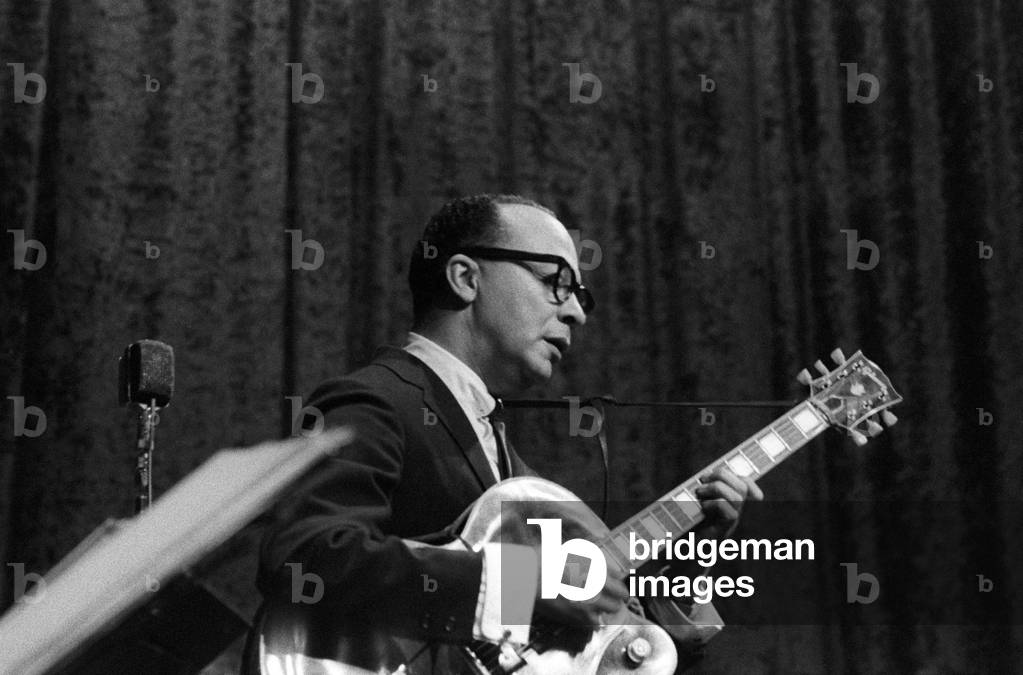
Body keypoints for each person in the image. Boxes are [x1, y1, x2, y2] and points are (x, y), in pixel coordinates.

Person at [251, 194, 763, 673]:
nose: (577, 312)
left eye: (579, 295)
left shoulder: (512, 466)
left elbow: (617, 647)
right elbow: (304, 556)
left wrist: (690, 559)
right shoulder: (379, 399)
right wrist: (522, 584)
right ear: (465, 277)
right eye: (556, 282)